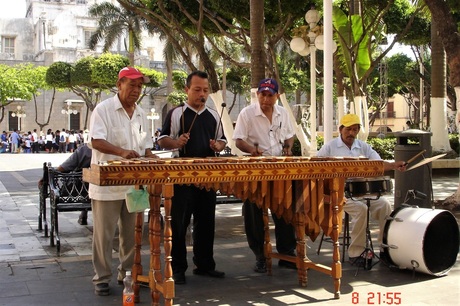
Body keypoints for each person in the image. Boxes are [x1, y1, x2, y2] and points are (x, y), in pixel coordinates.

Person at [88, 66, 157, 296]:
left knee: (132, 234)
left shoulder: (140, 112)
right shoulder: (103, 109)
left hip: (134, 186)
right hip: (107, 186)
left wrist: (150, 155)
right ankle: (102, 278)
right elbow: (96, 141)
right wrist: (122, 152)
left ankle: (128, 273)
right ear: (119, 85)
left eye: (140, 86)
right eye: (132, 85)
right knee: (104, 236)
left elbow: (143, 145)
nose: (136, 90)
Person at [157, 70, 227, 285]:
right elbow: (162, 139)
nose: (201, 94)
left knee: (206, 222)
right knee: (179, 224)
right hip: (182, 178)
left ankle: (205, 264)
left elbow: (223, 141)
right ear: (187, 90)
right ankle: (177, 268)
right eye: (197, 90)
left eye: (205, 90)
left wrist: (218, 145)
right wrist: (176, 142)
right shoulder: (177, 113)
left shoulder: (214, 115)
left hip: (207, 178)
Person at [317, 114, 406, 266]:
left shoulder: (363, 146)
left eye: (355, 129)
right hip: (340, 195)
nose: (352, 133)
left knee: (384, 205)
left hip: (362, 193)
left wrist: (393, 165)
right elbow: (317, 168)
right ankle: (357, 253)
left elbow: (378, 163)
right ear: (340, 129)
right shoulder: (329, 147)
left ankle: (385, 250)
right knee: (361, 209)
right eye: (349, 129)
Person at [233, 78, 297, 273]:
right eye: (262, 94)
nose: (266, 99)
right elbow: (238, 140)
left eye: (270, 95)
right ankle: (260, 255)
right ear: (257, 94)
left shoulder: (283, 113)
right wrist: (252, 150)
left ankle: (287, 253)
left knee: (285, 210)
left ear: (276, 96)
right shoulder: (247, 114)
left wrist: (288, 147)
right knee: (254, 214)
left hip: (279, 169)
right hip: (256, 169)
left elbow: (289, 135)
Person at [38, 144, 92, 224]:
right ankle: (84, 212)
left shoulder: (85, 149)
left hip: (78, 191)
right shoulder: (114, 148)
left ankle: (84, 213)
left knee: (85, 184)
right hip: (102, 191)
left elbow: (64, 167)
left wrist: (45, 178)